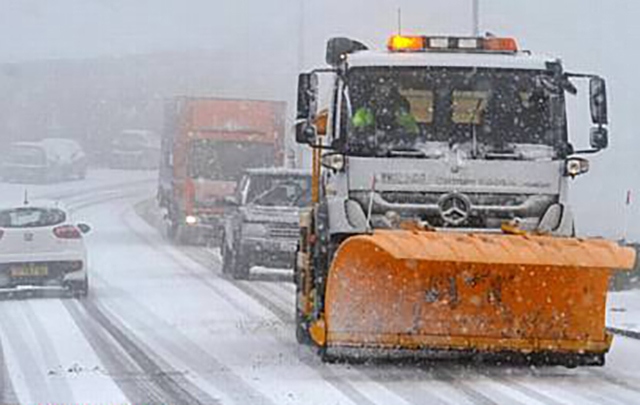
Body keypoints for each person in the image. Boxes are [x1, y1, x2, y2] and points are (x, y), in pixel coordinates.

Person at [352, 84, 419, 139]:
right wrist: (368, 130)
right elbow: (355, 134)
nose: (383, 100)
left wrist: (399, 131)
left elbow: (414, 136)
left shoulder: (403, 115)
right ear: (373, 98)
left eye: (388, 97)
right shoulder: (362, 113)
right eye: (379, 95)